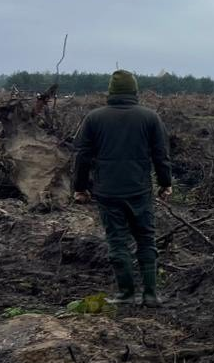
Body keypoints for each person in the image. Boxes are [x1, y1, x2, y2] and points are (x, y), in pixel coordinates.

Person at [72, 70, 173, 307]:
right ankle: (150, 294)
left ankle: (126, 294)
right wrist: (165, 183)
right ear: (134, 91)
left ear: (111, 92)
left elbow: (81, 156)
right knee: (146, 239)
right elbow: (161, 155)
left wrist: (80, 188)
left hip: (107, 192)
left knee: (117, 241)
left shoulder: (94, 118)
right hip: (140, 190)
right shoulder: (150, 117)